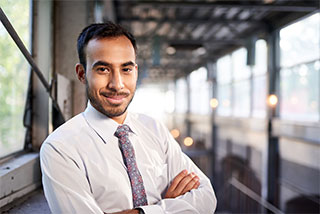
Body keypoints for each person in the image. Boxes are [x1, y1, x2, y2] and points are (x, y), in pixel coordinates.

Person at [40, 22, 217, 214]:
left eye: (126, 69)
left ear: (135, 72)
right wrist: (163, 208)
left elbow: (206, 198)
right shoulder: (60, 148)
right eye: (103, 69)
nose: (117, 84)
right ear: (82, 74)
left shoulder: (154, 129)